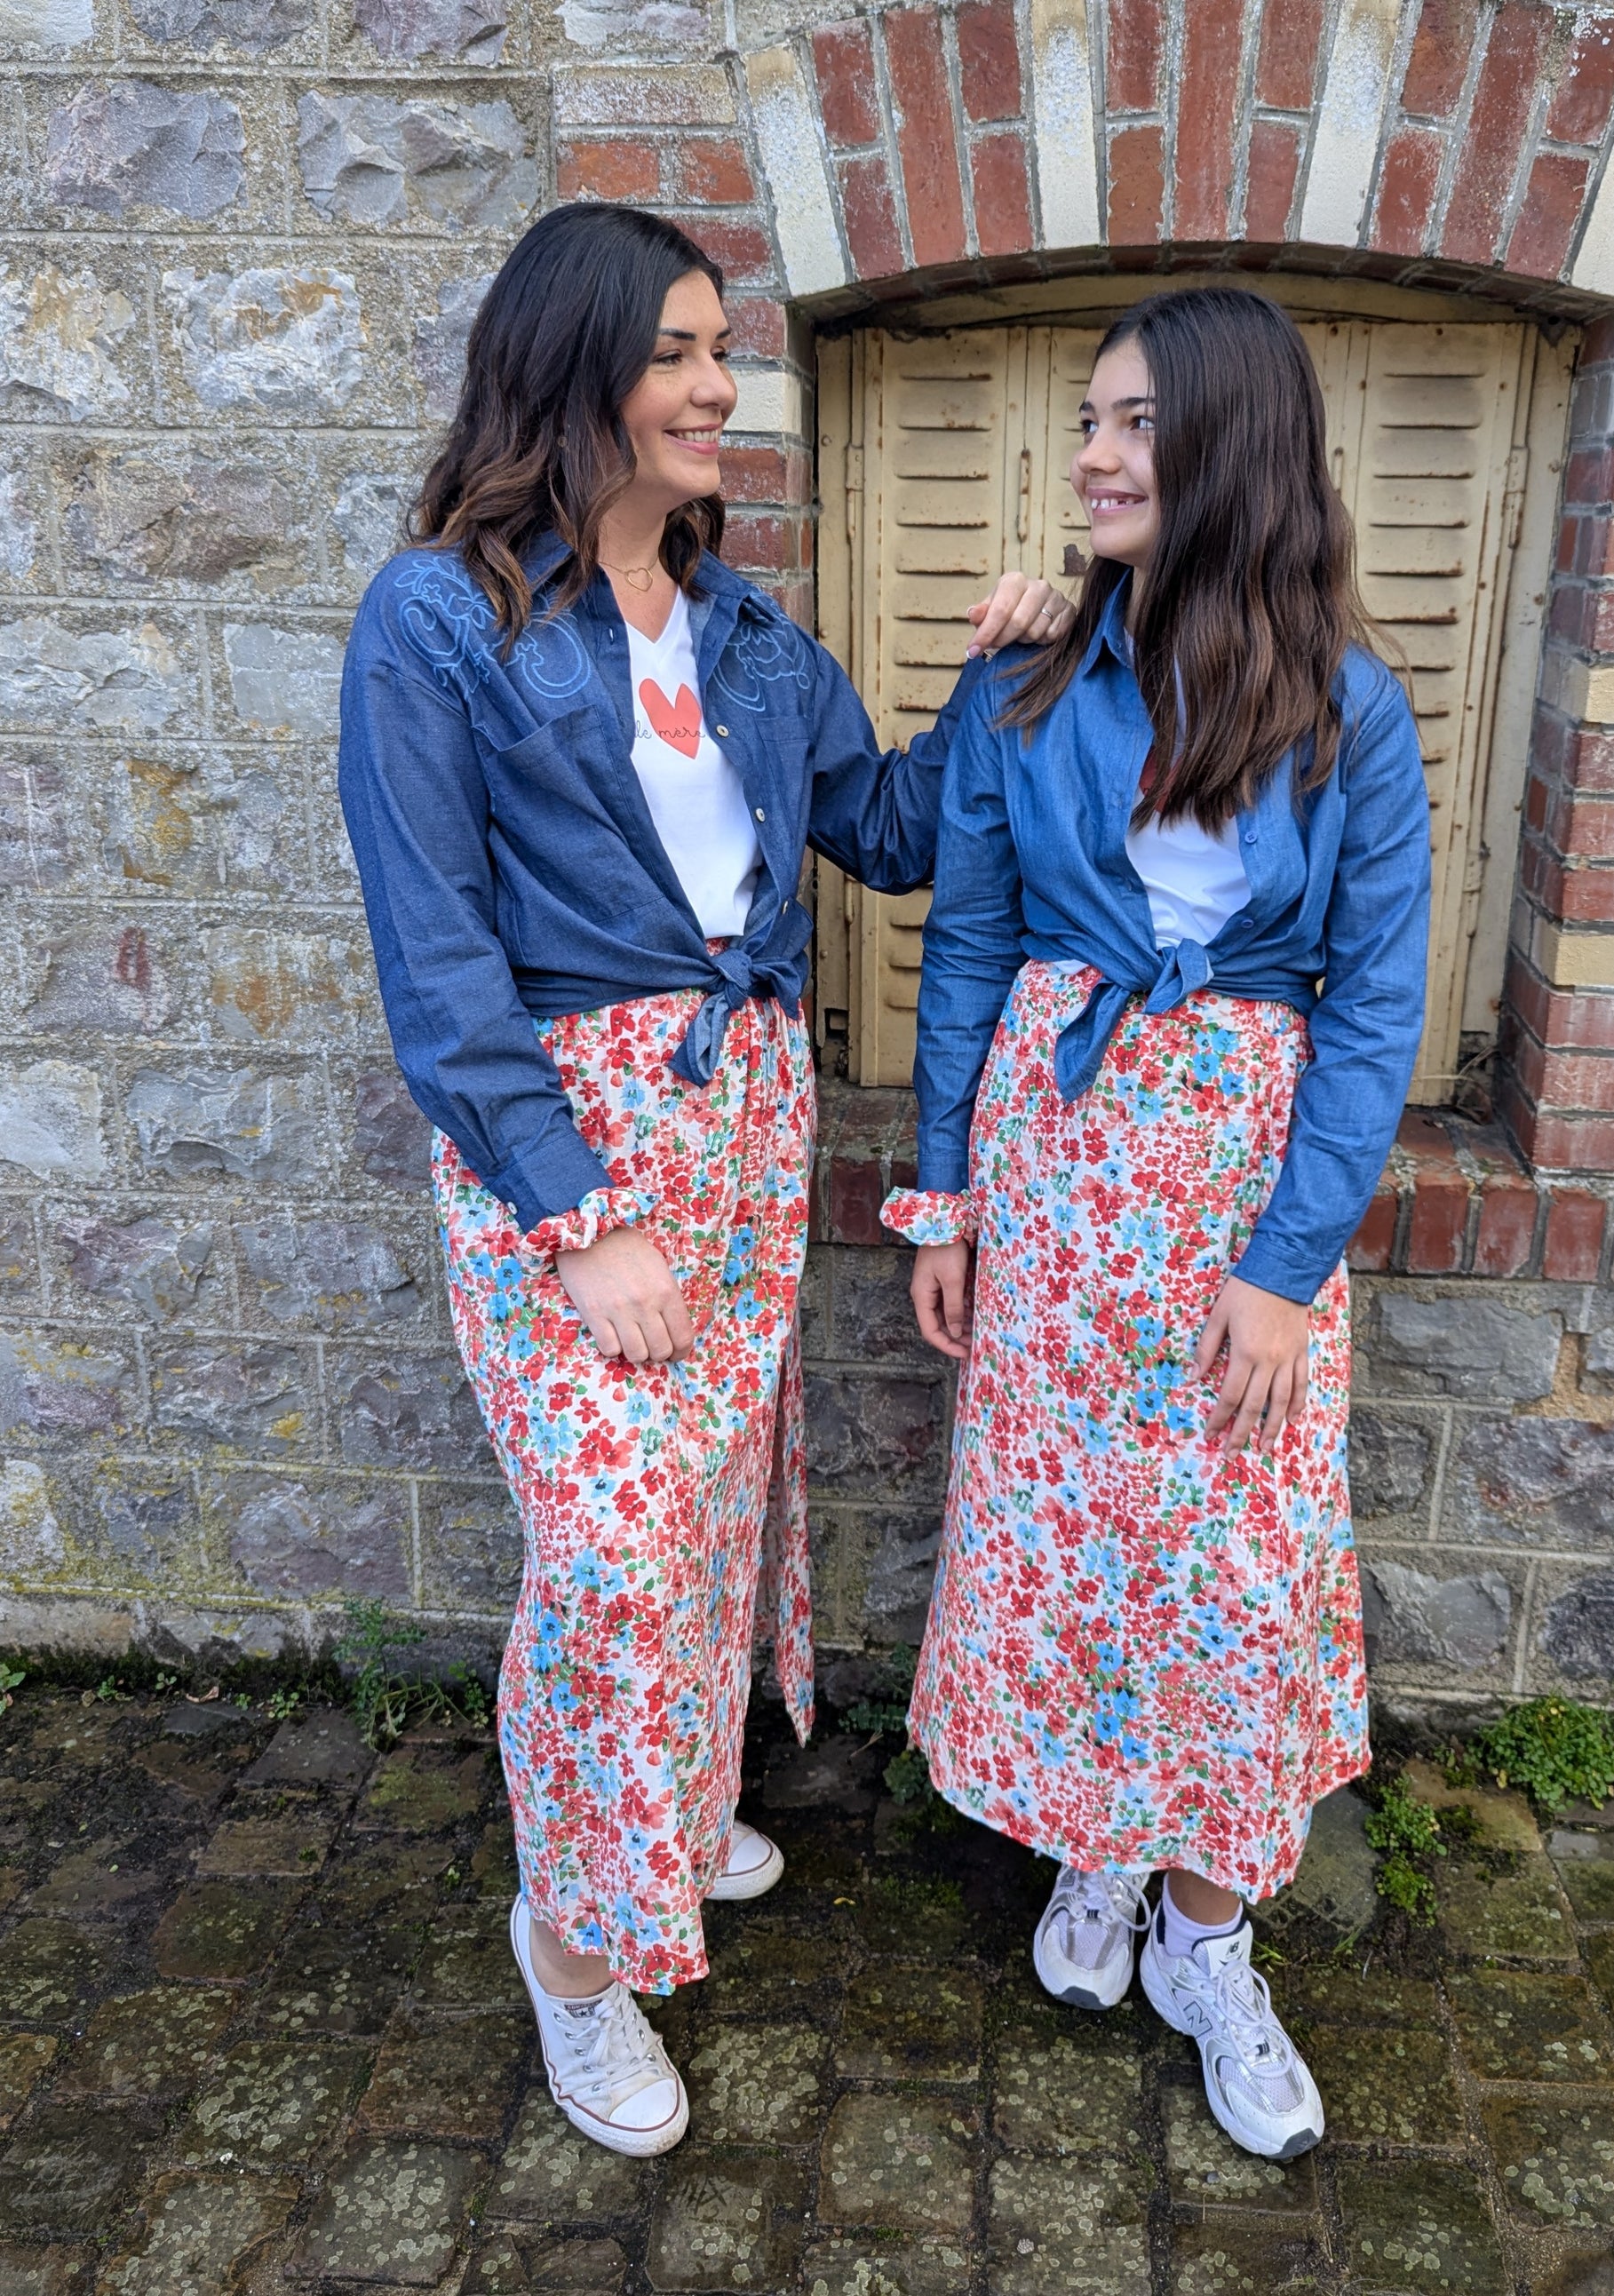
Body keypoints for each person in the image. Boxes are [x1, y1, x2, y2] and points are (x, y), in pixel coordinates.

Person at [338, 201, 1074, 2158]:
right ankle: (573, 1948)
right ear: (571, 364)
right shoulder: (439, 619)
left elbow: (890, 830)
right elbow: (438, 963)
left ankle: (663, 1824)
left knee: (714, 1509)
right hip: (562, 1149)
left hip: (741, 1125)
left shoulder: (746, 635)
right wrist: (578, 1217)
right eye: (676, 349)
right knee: (611, 1552)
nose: (716, 384)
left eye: (720, 349)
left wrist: (1007, 674)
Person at [883, 287, 1430, 2162]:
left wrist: (1283, 1273)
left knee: (1231, 1577)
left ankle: (1211, 1936)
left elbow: (1371, 1004)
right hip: (1055, 1183)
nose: (1096, 456)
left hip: (1235, 1212)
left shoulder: (1352, 706)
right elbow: (966, 938)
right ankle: (1095, 1858)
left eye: (1134, 425)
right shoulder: (1027, 680)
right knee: (1066, 1548)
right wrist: (944, 1192)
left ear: (1230, 453)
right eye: (1090, 423)